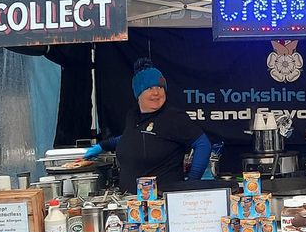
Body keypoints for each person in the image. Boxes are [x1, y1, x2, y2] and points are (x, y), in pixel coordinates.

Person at [84, 58, 211, 192]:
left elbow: (203, 144)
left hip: (161, 201)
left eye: (160, 87)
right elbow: (132, 137)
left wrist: (191, 183)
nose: (156, 93)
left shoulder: (173, 117)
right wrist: (102, 146)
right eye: (150, 88)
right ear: (138, 93)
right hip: (131, 201)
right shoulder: (133, 115)